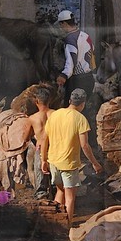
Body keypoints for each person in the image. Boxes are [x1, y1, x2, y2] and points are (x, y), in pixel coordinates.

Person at [39, 87, 104, 225]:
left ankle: (54, 223)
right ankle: (66, 227)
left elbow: (44, 139)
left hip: (53, 162)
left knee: (60, 191)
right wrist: (95, 163)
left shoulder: (55, 115)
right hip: (68, 164)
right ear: (83, 104)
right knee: (70, 198)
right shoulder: (80, 119)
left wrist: (43, 160)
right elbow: (85, 145)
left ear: (69, 101)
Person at [56, 10, 96, 109]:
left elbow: (71, 61)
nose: (60, 28)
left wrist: (63, 75)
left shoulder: (70, 39)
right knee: (84, 110)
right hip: (89, 79)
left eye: (61, 25)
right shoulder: (85, 36)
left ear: (64, 23)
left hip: (77, 81)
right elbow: (92, 53)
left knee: (71, 110)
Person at [24, 84, 54, 195]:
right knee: (55, 176)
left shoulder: (32, 118)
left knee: (40, 174)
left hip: (40, 148)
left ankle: (41, 196)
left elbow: (26, 137)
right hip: (55, 147)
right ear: (50, 100)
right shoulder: (56, 114)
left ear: (36, 101)